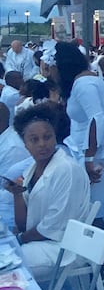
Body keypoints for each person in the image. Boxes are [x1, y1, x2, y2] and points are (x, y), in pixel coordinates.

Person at [6, 103, 90, 280]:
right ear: (25, 145)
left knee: (8, 264)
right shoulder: (32, 170)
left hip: (62, 247)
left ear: (55, 137)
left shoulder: (67, 169)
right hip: (42, 241)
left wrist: (19, 239)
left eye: (47, 137)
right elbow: (22, 224)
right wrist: (17, 195)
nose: (42, 144)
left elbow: (52, 227)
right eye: (34, 139)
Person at [43, 41, 104, 226]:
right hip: (90, 151)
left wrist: (88, 160)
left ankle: (96, 253)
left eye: (50, 68)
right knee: (85, 209)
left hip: (100, 154)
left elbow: (97, 119)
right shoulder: (82, 82)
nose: (50, 74)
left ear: (60, 66)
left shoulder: (85, 83)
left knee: (91, 211)